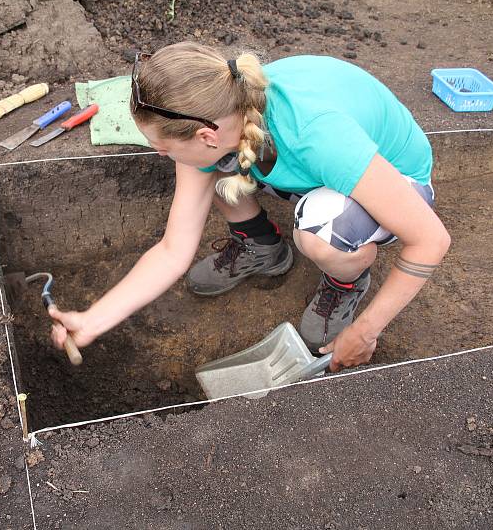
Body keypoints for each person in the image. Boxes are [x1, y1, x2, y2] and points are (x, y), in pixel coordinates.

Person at [48, 42, 450, 372]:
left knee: (317, 235)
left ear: (206, 135)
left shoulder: (318, 134)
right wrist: (91, 321)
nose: (159, 153)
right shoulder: (227, 112)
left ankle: (346, 280)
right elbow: (174, 250)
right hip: (315, 170)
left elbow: (430, 240)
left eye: (162, 146)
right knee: (221, 174)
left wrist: (365, 331)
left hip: (396, 181)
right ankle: (260, 246)